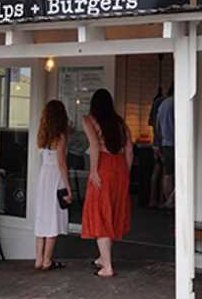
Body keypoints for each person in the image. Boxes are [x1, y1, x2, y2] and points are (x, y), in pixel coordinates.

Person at [81, 88, 133, 277]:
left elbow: (94, 145)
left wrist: (94, 170)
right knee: (112, 211)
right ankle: (103, 258)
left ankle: (107, 266)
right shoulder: (120, 122)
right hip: (119, 167)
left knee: (100, 213)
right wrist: (126, 172)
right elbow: (129, 149)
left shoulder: (89, 120)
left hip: (103, 165)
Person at [33, 100, 72, 270]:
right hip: (56, 177)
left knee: (42, 217)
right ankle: (47, 260)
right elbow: (62, 164)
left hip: (43, 177)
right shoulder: (60, 137)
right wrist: (68, 187)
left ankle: (38, 259)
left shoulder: (42, 135)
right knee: (53, 218)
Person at [155, 83, 175, 209]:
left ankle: (169, 201)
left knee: (167, 174)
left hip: (165, 143)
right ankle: (173, 201)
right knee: (180, 174)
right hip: (177, 143)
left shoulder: (163, 104)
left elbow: (157, 125)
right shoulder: (178, 103)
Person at [147, 88, 166, 208]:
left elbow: (150, 122)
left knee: (156, 170)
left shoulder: (156, 103)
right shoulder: (167, 102)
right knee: (164, 171)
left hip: (155, 141)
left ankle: (152, 199)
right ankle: (160, 200)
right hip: (164, 141)